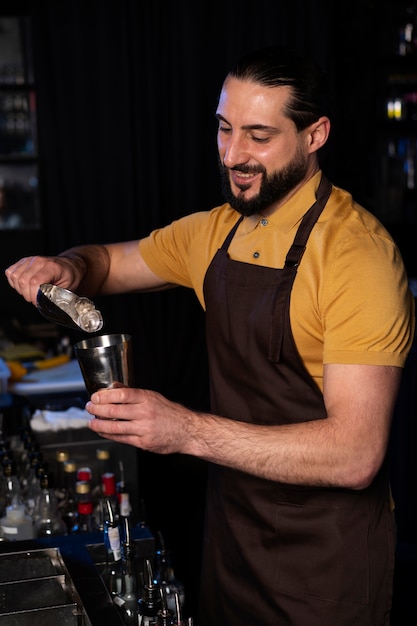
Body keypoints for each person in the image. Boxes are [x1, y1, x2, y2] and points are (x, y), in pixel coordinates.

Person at [5, 45, 415, 626]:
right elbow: (106, 262)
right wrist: (66, 268)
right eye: (225, 130)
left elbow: (356, 454)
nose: (233, 155)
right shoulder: (215, 234)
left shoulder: (358, 257)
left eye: (258, 135)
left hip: (325, 561)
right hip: (233, 544)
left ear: (315, 134)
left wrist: (185, 430)